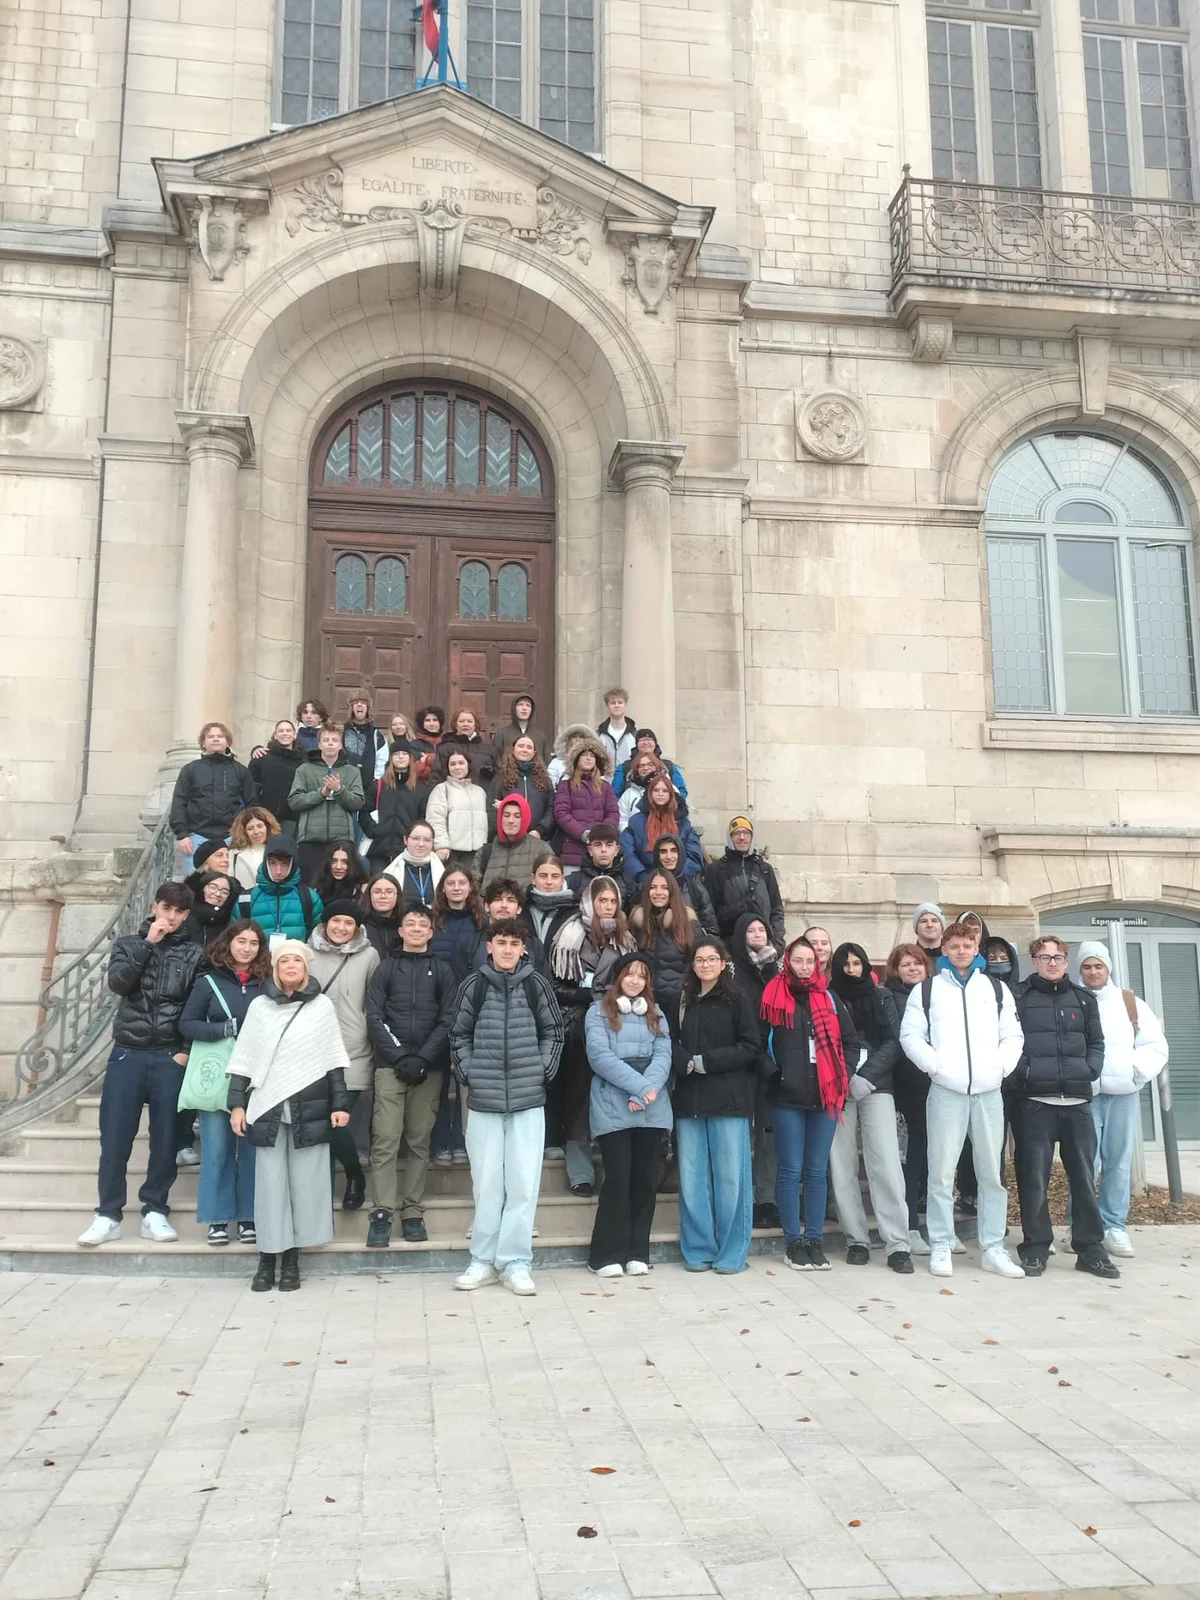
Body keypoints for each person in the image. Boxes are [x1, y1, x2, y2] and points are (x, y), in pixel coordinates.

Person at [77, 881, 204, 1247]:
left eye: (179, 912)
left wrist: (183, 1049)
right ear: (155, 906)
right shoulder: (128, 944)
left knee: (165, 1139)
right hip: (127, 1053)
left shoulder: (195, 954)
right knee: (115, 1137)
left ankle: (155, 1210)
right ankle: (107, 1214)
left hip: (169, 1055)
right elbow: (119, 984)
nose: (172, 917)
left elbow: (195, 1005)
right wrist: (148, 943)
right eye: (167, 909)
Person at [899, 918, 1026, 1279]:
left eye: (967, 946)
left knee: (991, 1173)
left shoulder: (995, 990)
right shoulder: (927, 990)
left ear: (976, 949)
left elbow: (1013, 1035)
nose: (961, 952)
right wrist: (935, 1067)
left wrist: (1000, 1068)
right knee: (940, 1173)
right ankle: (941, 1242)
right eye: (954, 946)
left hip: (988, 1091)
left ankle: (992, 1246)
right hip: (945, 1090)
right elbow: (910, 1036)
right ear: (945, 950)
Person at [227, 941, 351, 1292]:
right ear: (276, 967)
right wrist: (237, 1104)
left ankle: (293, 1257)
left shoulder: (322, 1007)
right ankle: (267, 1258)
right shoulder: (260, 1007)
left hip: (309, 1105)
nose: (291, 966)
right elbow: (243, 1059)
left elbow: (332, 1062)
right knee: (270, 1185)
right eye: (285, 961)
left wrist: (340, 1104)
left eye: (298, 960)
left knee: (305, 1183)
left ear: (306, 966)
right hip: (266, 1106)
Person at [451, 918, 565, 1295]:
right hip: (483, 1100)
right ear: (489, 946)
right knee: (486, 1184)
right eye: (501, 942)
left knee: (523, 1184)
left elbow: (554, 1032)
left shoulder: (536, 985)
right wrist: (469, 1074)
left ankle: (515, 1261)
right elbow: (459, 1034)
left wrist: (542, 1071)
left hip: (528, 1099)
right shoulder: (474, 985)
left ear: (523, 948)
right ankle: (482, 1260)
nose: (507, 949)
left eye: (514, 943)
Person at [1012, 936, 1116, 1279]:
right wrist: (1026, 1071)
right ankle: (1036, 1248)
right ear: (1034, 961)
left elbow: (1097, 1042)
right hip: (1035, 1104)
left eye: (1057, 957)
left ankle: (1090, 1250)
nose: (1052, 963)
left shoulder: (1084, 999)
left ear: (1066, 962)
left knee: (1085, 1180)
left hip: (1077, 1102)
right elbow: (1010, 1042)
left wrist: (1091, 1069)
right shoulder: (1019, 997)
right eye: (1044, 957)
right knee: (1033, 1179)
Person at [363, 901, 457, 1246]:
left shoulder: (444, 971)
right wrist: (402, 1057)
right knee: (386, 1140)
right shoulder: (385, 969)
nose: (417, 929)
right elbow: (374, 1017)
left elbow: (448, 1019)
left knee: (419, 1141)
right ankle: (383, 1212)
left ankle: (413, 1210)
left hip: (429, 1069)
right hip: (390, 1067)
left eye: (423, 924)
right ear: (400, 931)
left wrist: (423, 1058)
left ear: (431, 932)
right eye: (411, 924)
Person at [760, 937, 856, 1271]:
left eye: (809, 961)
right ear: (787, 962)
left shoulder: (829, 999)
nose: (803, 967)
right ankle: (792, 1242)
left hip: (825, 1098)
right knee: (790, 1169)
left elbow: (850, 1041)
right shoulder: (773, 995)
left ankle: (814, 1240)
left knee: (816, 1171)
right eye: (797, 961)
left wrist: (842, 1076)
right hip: (786, 1099)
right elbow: (758, 1044)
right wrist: (776, 1075)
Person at [672, 939, 762, 1274]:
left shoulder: (737, 999)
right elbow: (670, 1041)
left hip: (728, 1100)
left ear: (723, 963)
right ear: (693, 964)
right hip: (690, 1100)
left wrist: (706, 1062)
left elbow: (751, 1046)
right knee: (693, 1179)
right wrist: (683, 1062)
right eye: (699, 959)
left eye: (712, 959)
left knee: (730, 1181)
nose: (706, 964)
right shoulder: (682, 1000)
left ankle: (732, 1251)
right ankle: (698, 1249)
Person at [178, 920, 268, 1246]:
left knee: (252, 1150)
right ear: (228, 943)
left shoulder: (266, 983)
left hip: (257, 1078)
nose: (246, 948)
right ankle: (217, 1218)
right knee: (216, 1148)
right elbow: (186, 1025)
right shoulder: (208, 983)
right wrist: (222, 1029)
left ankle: (248, 1216)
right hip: (218, 1075)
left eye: (253, 943)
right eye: (241, 941)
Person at [1076, 941, 1167, 1258]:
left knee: (1118, 1162)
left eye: (1098, 966)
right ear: (1080, 970)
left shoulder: (1130, 1002)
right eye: (1087, 966)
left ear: (1108, 968)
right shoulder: (1073, 999)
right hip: (1085, 1097)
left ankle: (1114, 1226)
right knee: (1084, 1164)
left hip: (1123, 1096)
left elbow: (1155, 1044)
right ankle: (1082, 1226)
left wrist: (1135, 1072)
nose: (1093, 971)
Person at [827, 942, 912, 1273]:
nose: (851, 969)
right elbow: (823, 1042)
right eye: (845, 964)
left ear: (865, 965)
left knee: (886, 1165)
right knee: (842, 1164)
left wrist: (866, 1075)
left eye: (856, 963)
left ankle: (897, 1244)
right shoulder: (829, 998)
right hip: (839, 1088)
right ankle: (857, 1240)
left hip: (878, 1086)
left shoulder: (882, 996)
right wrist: (847, 1077)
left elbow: (894, 1041)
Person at [585, 954, 673, 1276]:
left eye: (641, 975)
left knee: (645, 1181)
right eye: (629, 974)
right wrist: (639, 1089)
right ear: (618, 977)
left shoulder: (656, 1014)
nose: (635, 980)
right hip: (614, 1105)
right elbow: (599, 1057)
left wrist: (647, 1091)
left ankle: (638, 1251)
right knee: (618, 1180)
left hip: (651, 1106)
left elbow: (664, 1054)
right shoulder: (598, 1013)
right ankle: (605, 1255)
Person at [547, 876, 636, 1192]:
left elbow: (636, 980)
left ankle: (614, 1168)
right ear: (590, 901)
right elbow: (554, 987)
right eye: (603, 901)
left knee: (613, 1095)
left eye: (613, 901)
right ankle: (581, 1172)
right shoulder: (568, 935)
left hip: (617, 1025)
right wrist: (590, 997)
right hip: (578, 1025)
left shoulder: (626, 938)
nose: (608, 907)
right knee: (578, 1100)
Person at [308, 899, 380, 1213]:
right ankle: (322, 1196)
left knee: (336, 1124)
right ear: (325, 923)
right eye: (335, 921)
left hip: (354, 1051)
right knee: (322, 1124)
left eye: (348, 923)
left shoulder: (370, 955)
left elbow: (375, 1002)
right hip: (313, 1051)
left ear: (357, 928)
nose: (341, 928)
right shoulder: (307, 952)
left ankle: (353, 1175)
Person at [730, 913, 781, 1231]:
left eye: (762, 929)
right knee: (739, 1134)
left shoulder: (777, 969)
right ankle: (741, 1198)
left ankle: (768, 1199)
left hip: (770, 1063)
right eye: (750, 929)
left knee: (767, 1134)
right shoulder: (732, 970)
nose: (757, 934)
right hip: (740, 1062)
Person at [884, 943, 935, 1256]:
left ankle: (934, 1225)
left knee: (935, 1158)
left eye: (917, 963)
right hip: (906, 1087)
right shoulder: (888, 997)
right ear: (896, 969)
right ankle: (911, 1225)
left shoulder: (937, 995)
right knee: (911, 1159)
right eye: (906, 965)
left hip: (938, 1086)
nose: (913, 969)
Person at [289, 722, 365, 882]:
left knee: (339, 886)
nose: (330, 743)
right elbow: (294, 801)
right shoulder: (304, 769)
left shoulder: (352, 771)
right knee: (311, 886)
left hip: (341, 839)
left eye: (335, 740)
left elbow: (358, 802)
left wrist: (339, 790)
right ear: (319, 744)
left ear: (340, 745)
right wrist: (321, 794)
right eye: (326, 740)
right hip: (311, 839)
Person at [169, 722, 256, 862]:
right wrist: (182, 834)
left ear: (228, 742)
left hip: (231, 837)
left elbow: (252, 803)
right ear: (203, 743)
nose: (215, 739)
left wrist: (247, 832)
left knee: (230, 883)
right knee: (195, 882)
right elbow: (179, 801)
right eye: (210, 736)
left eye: (220, 736)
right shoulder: (190, 769)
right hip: (197, 836)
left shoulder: (241, 770)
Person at [704, 816, 786, 950]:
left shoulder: (765, 869)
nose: (742, 837)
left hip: (764, 946)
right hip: (730, 947)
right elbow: (709, 912)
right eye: (736, 833)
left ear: (752, 836)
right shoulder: (715, 870)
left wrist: (777, 943)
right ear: (730, 837)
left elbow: (776, 909)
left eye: (746, 833)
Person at [627, 868, 697, 1014]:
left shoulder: (687, 921)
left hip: (679, 1002)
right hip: (644, 1002)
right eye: (653, 887)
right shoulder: (637, 923)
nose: (658, 892)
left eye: (664, 887)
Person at [238, 837, 322, 948]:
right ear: (265, 862)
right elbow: (235, 936)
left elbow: (318, 938)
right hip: (257, 963)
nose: (278, 871)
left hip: (294, 962)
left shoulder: (309, 897)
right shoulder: (247, 898)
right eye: (272, 863)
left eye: (285, 864)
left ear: (293, 864)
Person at [621, 774, 703, 884]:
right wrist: (643, 878)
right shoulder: (635, 822)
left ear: (671, 794)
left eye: (665, 791)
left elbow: (693, 854)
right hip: (646, 880)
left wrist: (679, 878)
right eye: (656, 790)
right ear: (650, 793)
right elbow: (628, 853)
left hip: (679, 881)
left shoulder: (683, 823)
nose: (660, 794)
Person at [361, 743, 430, 872]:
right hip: (379, 851)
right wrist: (375, 831)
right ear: (391, 758)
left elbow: (423, 818)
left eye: (404, 754)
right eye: (396, 754)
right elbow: (364, 813)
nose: (400, 757)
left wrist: (412, 837)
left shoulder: (420, 789)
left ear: (410, 758)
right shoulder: (378, 786)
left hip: (407, 851)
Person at [554, 737, 619, 868]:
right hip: (573, 852)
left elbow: (613, 813)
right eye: (584, 755)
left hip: (600, 854)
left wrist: (600, 835)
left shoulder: (605, 787)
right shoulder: (565, 785)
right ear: (576, 759)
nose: (588, 758)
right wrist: (582, 833)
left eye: (592, 755)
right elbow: (561, 813)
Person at [427, 748, 489, 873]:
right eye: (453, 764)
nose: (457, 767)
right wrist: (441, 845)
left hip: (477, 851)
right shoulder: (441, 789)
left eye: (461, 763)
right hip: (451, 853)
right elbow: (435, 819)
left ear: (468, 765)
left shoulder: (479, 791)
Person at [488, 735, 554, 838]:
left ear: (534, 753)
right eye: (521, 746)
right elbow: (491, 808)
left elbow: (551, 808)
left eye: (529, 747)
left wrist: (539, 830)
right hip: (508, 840)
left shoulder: (544, 779)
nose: (525, 750)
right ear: (513, 749)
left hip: (537, 839)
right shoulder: (500, 777)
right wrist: (507, 832)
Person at [652, 834, 718, 935]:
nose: (669, 857)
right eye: (663, 851)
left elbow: (712, 931)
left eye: (674, 851)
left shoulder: (695, 888)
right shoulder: (648, 887)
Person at [431, 867, 488, 981]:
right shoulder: (431, 919)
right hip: (438, 986)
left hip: (470, 987)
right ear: (443, 888)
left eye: (462, 883)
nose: (456, 888)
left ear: (470, 887)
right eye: (451, 883)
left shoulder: (482, 921)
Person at [248, 720, 305, 831]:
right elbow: (251, 784)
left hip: (292, 816)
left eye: (288, 730)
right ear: (275, 735)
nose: (284, 733)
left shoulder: (303, 761)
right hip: (265, 815)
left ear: (294, 735)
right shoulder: (262, 757)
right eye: (281, 731)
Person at [525, 853, 579, 969]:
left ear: (562, 879)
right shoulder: (522, 908)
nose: (549, 882)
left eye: (555, 876)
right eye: (543, 876)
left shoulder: (574, 911)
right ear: (533, 879)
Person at [481, 794, 543, 888]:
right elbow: (473, 891)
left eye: (517, 816)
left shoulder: (541, 849)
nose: (510, 820)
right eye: (506, 815)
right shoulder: (485, 852)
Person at [613, 729, 688, 806]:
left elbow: (681, 791)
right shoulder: (624, 767)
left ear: (655, 743)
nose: (646, 742)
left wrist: (670, 806)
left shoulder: (669, 766)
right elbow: (615, 795)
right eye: (642, 740)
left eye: (649, 739)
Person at [567, 823, 637, 905]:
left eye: (609, 845)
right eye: (598, 845)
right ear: (590, 850)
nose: (603, 850)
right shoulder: (573, 881)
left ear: (616, 850)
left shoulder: (629, 884)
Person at [383, 818, 444, 908]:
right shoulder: (392, 871)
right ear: (405, 840)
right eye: (416, 838)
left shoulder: (442, 872)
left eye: (427, 840)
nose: (421, 844)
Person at [341, 694, 389, 801]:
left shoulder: (377, 734)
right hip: (344, 784)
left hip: (368, 787)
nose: (359, 705)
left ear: (368, 708)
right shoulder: (341, 732)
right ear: (351, 708)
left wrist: (375, 781)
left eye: (363, 703)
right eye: (355, 703)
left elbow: (382, 760)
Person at [440, 707, 499, 784]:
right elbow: (437, 775)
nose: (465, 724)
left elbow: (499, 775)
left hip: (483, 793)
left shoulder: (489, 750)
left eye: (469, 721)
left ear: (475, 725)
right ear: (455, 725)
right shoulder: (446, 748)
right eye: (461, 721)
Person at [180, 870, 238, 946]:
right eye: (213, 887)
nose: (218, 894)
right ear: (202, 888)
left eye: (224, 892)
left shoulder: (229, 922)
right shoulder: (184, 915)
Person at [230, 806, 282, 890]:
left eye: (260, 826)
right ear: (244, 832)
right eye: (250, 829)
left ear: (268, 827)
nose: (256, 832)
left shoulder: (279, 849)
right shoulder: (234, 854)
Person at [494, 693, 552, 766]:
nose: (524, 708)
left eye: (528, 705)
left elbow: (547, 762)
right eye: (520, 704)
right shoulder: (502, 735)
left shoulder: (540, 736)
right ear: (514, 708)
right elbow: (496, 760)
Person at [310, 839, 370, 908]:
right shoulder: (316, 890)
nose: (338, 867)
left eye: (345, 862)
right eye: (334, 861)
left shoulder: (363, 891)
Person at [361, 872, 403, 961]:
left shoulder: (406, 925)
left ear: (397, 895)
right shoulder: (359, 926)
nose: (383, 896)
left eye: (389, 892)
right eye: (377, 892)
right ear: (369, 895)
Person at [597, 687, 637, 772]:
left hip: (627, 782)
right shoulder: (599, 735)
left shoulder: (635, 735)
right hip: (604, 782)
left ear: (625, 705)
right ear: (607, 706)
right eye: (612, 703)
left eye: (620, 702)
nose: (617, 705)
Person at [547, 721, 596, 787]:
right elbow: (550, 785)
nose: (577, 739)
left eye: (581, 737)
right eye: (574, 737)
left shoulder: (592, 761)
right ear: (568, 740)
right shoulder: (557, 762)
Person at [411, 705, 445, 780]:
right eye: (427, 720)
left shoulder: (447, 743)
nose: (431, 723)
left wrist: (428, 760)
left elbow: (450, 767)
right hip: (422, 786)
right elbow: (416, 769)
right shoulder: (414, 745)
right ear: (422, 723)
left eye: (435, 720)